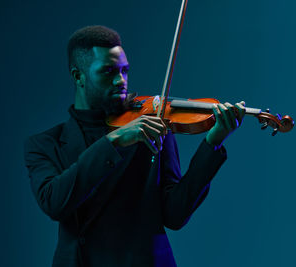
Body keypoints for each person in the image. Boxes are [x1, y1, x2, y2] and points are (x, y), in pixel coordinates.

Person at [24, 25, 245, 267]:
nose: (121, 80)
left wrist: (212, 142)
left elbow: (175, 214)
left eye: (124, 71)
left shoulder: (152, 123)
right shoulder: (46, 144)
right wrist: (114, 140)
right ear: (79, 77)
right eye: (108, 71)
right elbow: (55, 203)